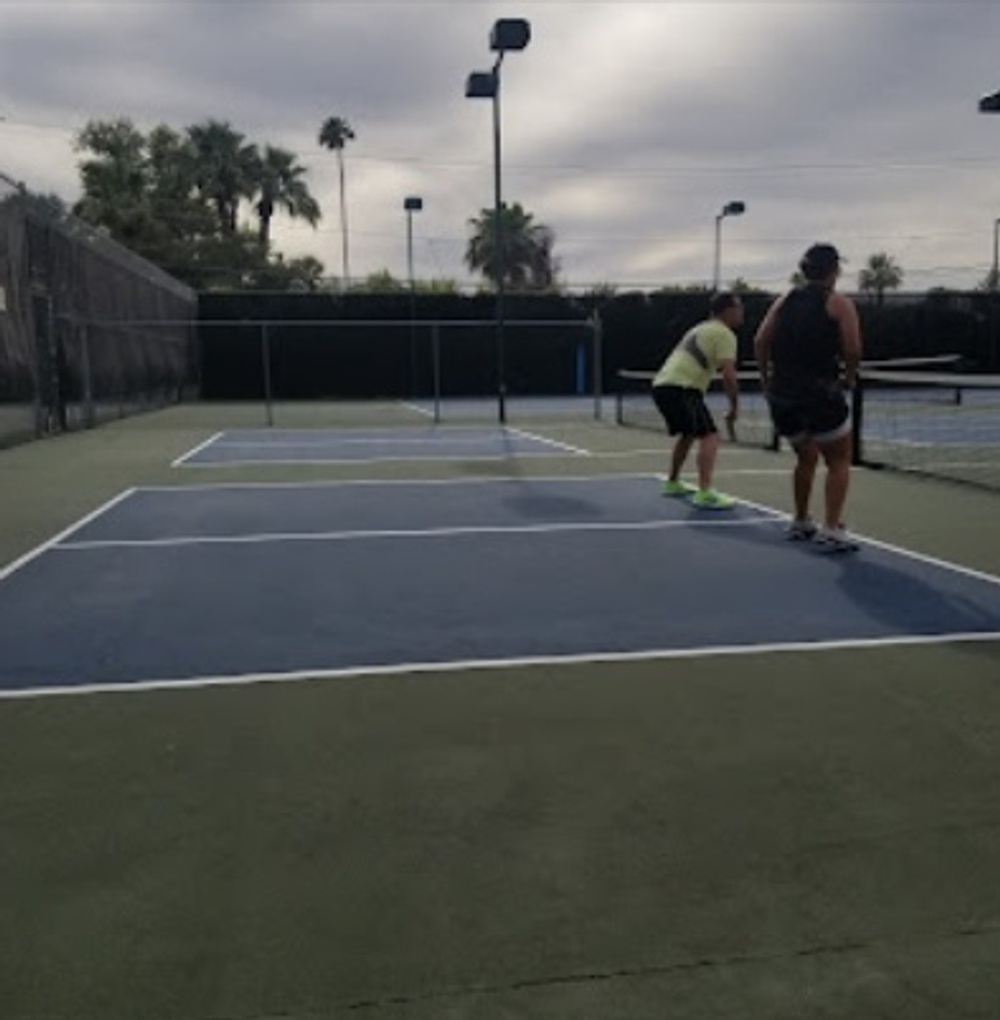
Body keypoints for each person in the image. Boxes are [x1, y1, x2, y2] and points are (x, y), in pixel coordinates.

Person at [753, 243, 863, 552]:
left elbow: (760, 340)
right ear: (835, 270)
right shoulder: (839, 304)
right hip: (819, 393)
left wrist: (766, 378)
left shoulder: (785, 299)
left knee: (806, 455)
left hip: (783, 395)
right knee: (839, 459)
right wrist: (849, 378)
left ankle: (801, 521)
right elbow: (854, 350)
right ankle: (831, 528)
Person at [651, 291, 743, 509]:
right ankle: (705, 492)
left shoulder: (701, 327)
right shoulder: (724, 334)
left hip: (662, 385)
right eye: (739, 308)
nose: (741, 313)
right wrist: (734, 408)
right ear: (728, 310)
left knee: (689, 433)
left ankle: (672, 482)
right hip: (682, 387)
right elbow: (729, 376)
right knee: (710, 435)